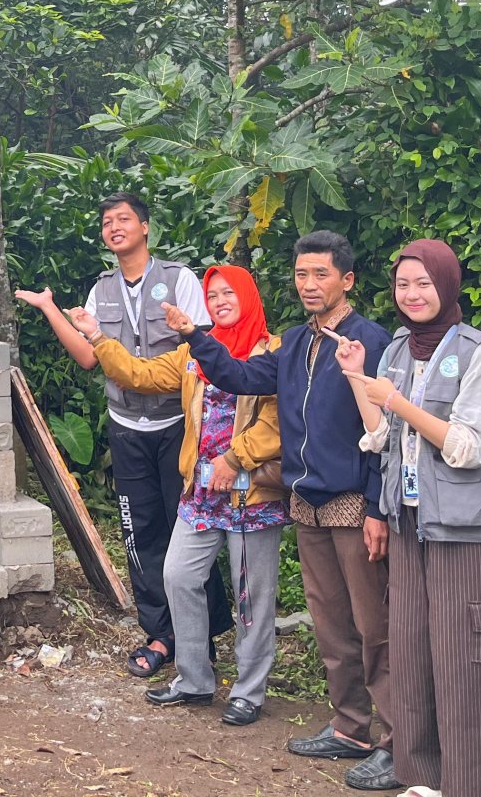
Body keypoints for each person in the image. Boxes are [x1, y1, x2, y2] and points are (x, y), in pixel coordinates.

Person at [179, 231, 398, 792]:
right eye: (302, 275)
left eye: (321, 274)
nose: (309, 285)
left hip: (354, 506)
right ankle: (351, 728)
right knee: (331, 625)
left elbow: (387, 433)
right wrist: (197, 337)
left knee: (374, 627)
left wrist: (378, 507)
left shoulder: (372, 341)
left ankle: (398, 743)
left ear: (346, 280)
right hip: (307, 505)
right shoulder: (295, 342)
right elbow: (240, 376)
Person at [70, 265, 286, 725]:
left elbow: (276, 423)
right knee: (179, 576)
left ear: (249, 296)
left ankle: (249, 691)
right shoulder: (194, 353)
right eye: (214, 295)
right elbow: (141, 374)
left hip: (251, 496)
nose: (221, 302)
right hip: (200, 490)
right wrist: (97, 337)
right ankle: (194, 679)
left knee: (252, 597)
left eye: (229, 293)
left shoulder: (273, 351)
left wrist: (235, 459)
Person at [341, 239, 481, 797]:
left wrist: (397, 401)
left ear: (446, 284)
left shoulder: (477, 352)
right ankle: (422, 777)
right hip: (410, 520)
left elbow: (465, 446)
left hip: (468, 529)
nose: (412, 294)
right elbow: (381, 436)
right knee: (413, 650)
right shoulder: (398, 348)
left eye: (423, 283)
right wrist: (358, 377)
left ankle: (476, 785)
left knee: (470, 660)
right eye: (403, 285)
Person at [14, 193, 209, 681]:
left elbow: (202, 350)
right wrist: (50, 309)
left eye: (124, 219)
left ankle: (201, 636)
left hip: (179, 427)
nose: (115, 227)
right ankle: (160, 634)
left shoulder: (179, 280)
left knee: (188, 531)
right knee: (140, 533)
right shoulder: (101, 290)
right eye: (107, 222)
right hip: (127, 430)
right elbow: (88, 355)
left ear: (145, 227)